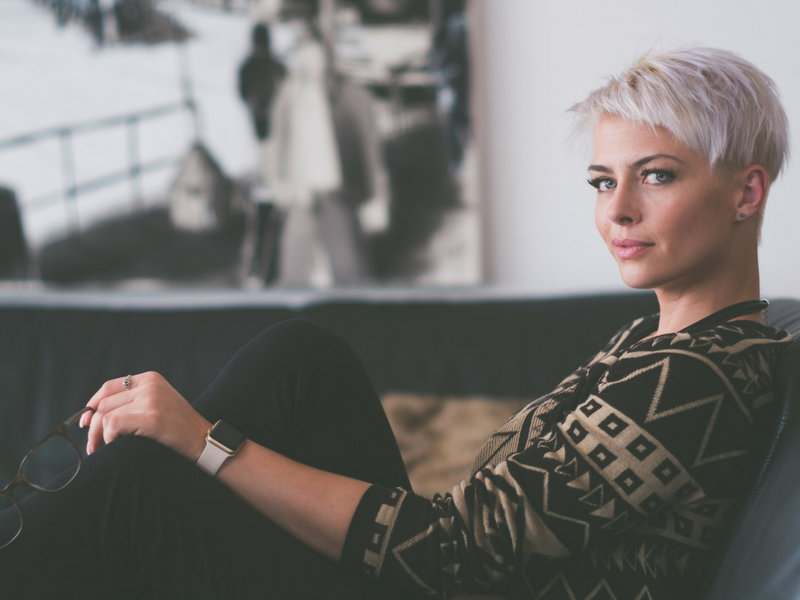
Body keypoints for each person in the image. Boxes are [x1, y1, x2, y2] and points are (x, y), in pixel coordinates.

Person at [0, 46, 794, 600]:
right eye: (600, 180)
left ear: (746, 193)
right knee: (300, 358)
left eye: (656, 176)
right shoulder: (658, 344)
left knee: (145, 485)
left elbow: (458, 547)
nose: (617, 210)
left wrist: (205, 443)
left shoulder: (693, 378)